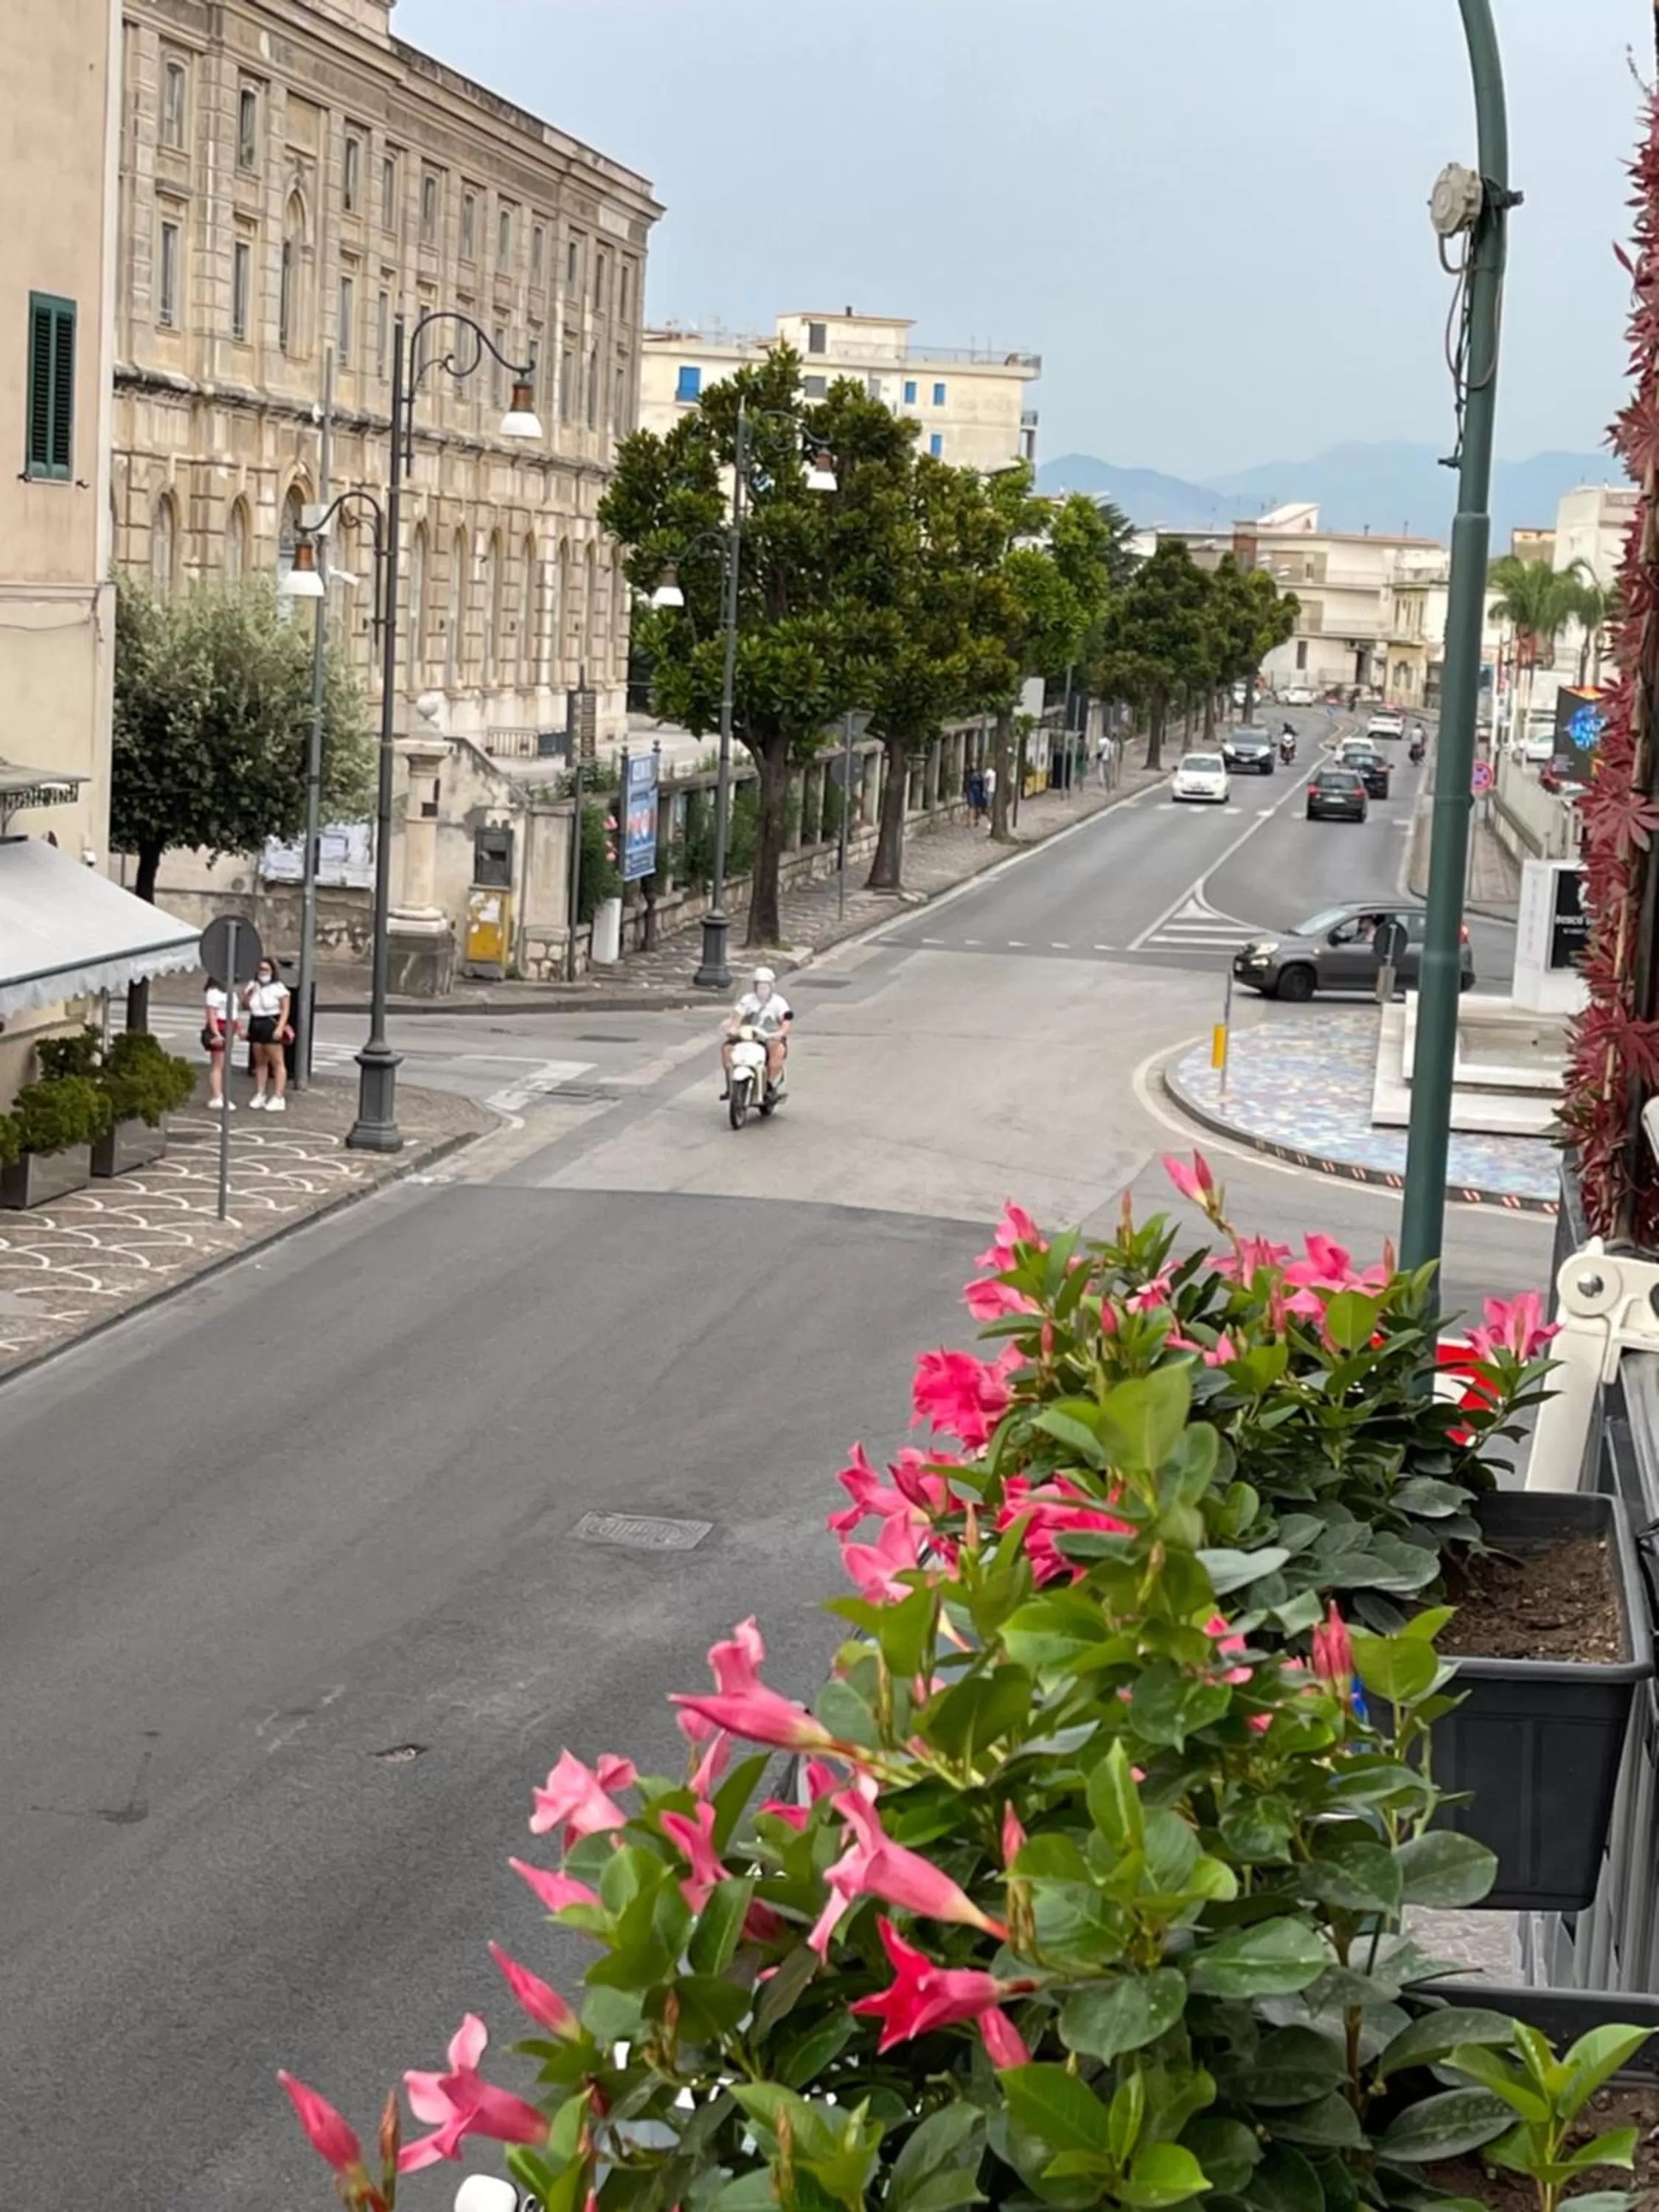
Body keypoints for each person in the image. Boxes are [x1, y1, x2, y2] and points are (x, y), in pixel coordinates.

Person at [721, 965, 792, 1097]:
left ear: (772, 986)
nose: (762, 989)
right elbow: (737, 1016)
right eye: (759, 985)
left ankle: (769, 1084)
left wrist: (780, 1032)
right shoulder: (747, 1000)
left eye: (765, 986)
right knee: (727, 1049)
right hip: (747, 1036)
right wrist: (733, 1028)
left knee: (778, 1051)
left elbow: (786, 1021)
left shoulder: (780, 1002)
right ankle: (730, 1085)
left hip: (769, 1037)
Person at [241, 956, 292, 1112]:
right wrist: (248, 995)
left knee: (277, 1061)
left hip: (271, 1022)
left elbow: (285, 1009)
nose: (262, 973)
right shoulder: (253, 985)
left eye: (266, 970)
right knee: (260, 1061)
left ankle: (278, 1096)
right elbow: (245, 1006)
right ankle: (260, 1093)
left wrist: (280, 1028)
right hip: (256, 1021)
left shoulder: (278, 988)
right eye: (260, 970)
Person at [202, 974, 235, 1110]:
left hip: (229, 1026)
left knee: (223, 1063)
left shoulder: (229, 991)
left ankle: (220, 1094)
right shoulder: (213, 993)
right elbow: (212, 1015)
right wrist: (216, 1034)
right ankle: (216, 1095)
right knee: (217, 1064)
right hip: (220, 1027)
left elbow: (233, 1012)